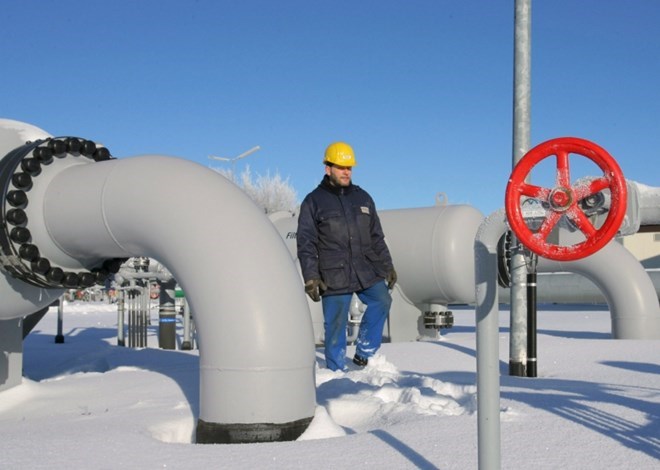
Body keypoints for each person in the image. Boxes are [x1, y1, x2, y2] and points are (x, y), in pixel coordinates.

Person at [296, 142, 397, 371]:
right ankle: (335, 372)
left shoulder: (363, 198)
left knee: (382, 300)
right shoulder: (313, 201)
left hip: (365, 268)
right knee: (336, 325)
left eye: (349, 168)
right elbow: (306, 243)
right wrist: (311, 276)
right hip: (334, 272)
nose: (346, 172)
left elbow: (377, 237)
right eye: (341, 167)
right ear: (328, 168)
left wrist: (387, 266)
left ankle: (365, 353)